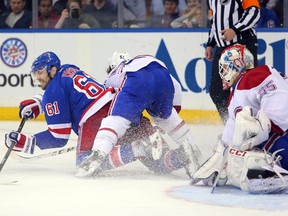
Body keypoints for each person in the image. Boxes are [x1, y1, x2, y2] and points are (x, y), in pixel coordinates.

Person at [4, 51, 194, 178]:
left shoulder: (53, 91)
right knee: (158, 164)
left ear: (52, 70)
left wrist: (28, 143)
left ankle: (137, 148)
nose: (37, 78)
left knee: (84, 165)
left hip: (95, 119)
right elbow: (66, 94)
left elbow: (58, 137)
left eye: (40, 73)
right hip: (120, 107)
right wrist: (39, 102)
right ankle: (184, 155)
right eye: (35, 74)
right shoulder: (69, 69)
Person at [76, 51, 204, 178]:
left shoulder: (115, 73)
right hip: (162, 74)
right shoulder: (141, 60)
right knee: (165, 118)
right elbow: (175, 88)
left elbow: (108, 99)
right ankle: (191, 147)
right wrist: (166, 115)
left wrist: (105, 139)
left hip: (136, 81)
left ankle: (98, 154)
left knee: (115, 120)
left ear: (112, 65)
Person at [191, 44, 288, 194]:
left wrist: (224, 158)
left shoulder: (245, 82)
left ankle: (273, 171)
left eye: (224, 69)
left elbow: (241, 126)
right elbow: (229, 134)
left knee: (245, 149)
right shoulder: (267, 71)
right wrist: (222, 152)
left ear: (236, 65)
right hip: (283, 129)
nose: (223, 74)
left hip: (283, 134)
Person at [205, 0, 260, 124]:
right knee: (216, 91)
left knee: (247, 91)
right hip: (222, 48)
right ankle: (231, 126)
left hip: (243, 44)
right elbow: (215, 21)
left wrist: (235, 29)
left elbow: (254, 12)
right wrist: (210, 43)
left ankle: (253, 127)